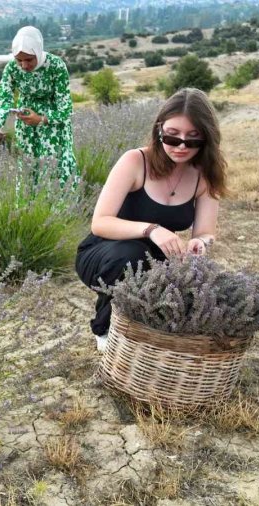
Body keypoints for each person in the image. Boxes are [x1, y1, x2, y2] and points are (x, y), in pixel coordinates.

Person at [75, 88, 228, 352]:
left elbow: (205, 231)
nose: (181, 146)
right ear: (159, 129)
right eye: (173, 135)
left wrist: (201, 243)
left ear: (206, 139)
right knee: (132, 256)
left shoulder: (204, 174)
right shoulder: (136, 161)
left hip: (159, 259)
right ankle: (105, 329)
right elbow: (100, 222)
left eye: (193, 139)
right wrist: (152, 230)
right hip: (104, 252)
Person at [0, 26, 78, 184]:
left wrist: (41, 119)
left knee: (54, 169)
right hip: (26, 127)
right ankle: (30, 208)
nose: (24, 65)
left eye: (29, 59)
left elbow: (65, 109)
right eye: (19, 60)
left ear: (38, 51)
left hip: (54, 127)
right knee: (27, 169)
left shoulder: (56, 66)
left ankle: (60, 208)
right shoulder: (11, 68)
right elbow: (3, 100)